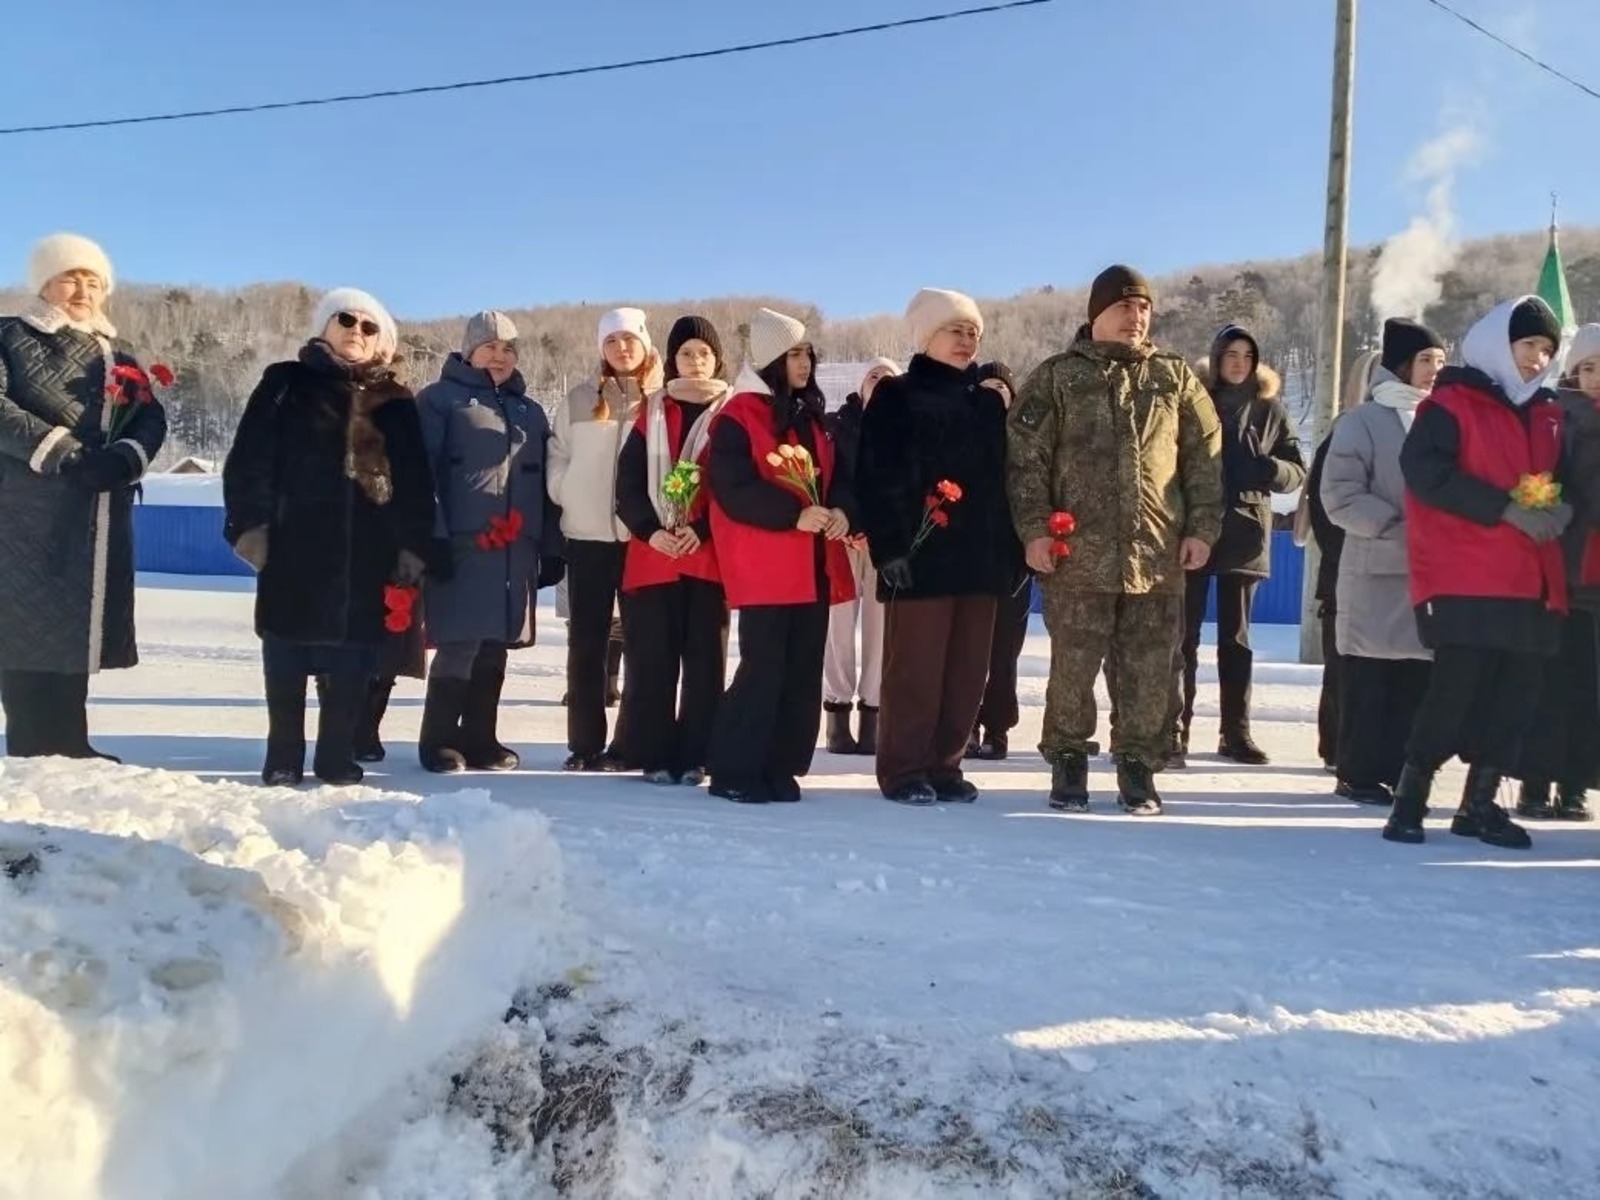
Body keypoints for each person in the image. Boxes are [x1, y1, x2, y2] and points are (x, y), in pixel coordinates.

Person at [1008, 265, 1223, 815]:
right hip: (1077, 555)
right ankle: (1069, 759)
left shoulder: (1174, 378)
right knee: (1073, 666)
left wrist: (1201, 528)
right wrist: (1034, 530)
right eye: (1125, 307)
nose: (1137, 317)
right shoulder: (1057, 377)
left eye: (1144, 308)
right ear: (1095, 315)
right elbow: (1025, 461)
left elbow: (1205, 457)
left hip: (1156, 555)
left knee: (1152, 668)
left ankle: (1137, 765)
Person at [223, 288, 436, 786]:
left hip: (368, 550)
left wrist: (412, 544)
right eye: (345, 319)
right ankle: (282, 756)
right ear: (324, 327)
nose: (355, 331)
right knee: (286, 653)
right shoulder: (286, 381)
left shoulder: (397, 401)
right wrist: (251, 527)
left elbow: (415, 481)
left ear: (382, 343)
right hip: (293, 542)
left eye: (368, 326)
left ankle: (337, 755)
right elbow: (248, 457)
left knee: (352, 659)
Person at [1384, 296, 1570, 849]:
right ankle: (1411, 797)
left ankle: (1480, 804)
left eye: (1545, 349)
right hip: (1466, 576)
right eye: (1527, 345)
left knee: (1515, 696)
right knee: (1455, 691)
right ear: (1498, 344)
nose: (1537, 359)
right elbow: (1424, 473)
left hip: (1532, 578)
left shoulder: (1548, 411)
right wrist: (1504, 507)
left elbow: (1565, 479)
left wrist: (1567, 507)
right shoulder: (1451, 402)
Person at [0, 233, 167, 760]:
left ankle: (70, 741)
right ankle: (29, 742)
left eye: (94, 281)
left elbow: (150, 417)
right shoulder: (10, 335)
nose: (83, 289)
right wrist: (63, 452)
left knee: (79, 622)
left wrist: (123, 458)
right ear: (44, 283)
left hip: (94, 510)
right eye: (71, 276)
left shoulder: (119, 354)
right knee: (23, 622)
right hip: (22, 508)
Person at [858, 290, 1019, 805]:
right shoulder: (897, 395)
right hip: (920, 555)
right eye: (956, 330)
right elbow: (875, 474)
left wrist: (1010, 553)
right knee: (916, 672)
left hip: (978, 560)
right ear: (928, 336)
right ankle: (904, 769)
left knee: (967, 672)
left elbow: (1004, 481)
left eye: (974, 332)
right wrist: (889, 549)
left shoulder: (986, 402)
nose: (967, 340)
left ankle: (945, 765)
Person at [705, 307, 855, 803]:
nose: (805, 361)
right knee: (763, 666)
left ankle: (779, 764)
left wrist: (841, 512)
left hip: (812, 565)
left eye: (807, 352)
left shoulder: (812, 417)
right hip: (769, 566)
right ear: (771, 359)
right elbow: (731, 487)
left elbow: (838, 479)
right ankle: (734, 768)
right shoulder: (738, 414)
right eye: (793, 353)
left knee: (801, 666)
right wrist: (793, 515)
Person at [415, 311, 564, 773]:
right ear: (467, 350)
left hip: (516, 548)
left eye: (508, 348)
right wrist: (432, 538)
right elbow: (420, 475)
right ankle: (437, 740)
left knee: (496, 643)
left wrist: (553, 546)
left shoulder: (530, 411)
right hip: (462, 544)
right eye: (489, 346)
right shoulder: (440, 401)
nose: (498, 356)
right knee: (460, 641)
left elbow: (548, 484)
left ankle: (481, 739)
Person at [1321, 319, 1446, 805]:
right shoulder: (1361, 421)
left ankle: (1401, 770)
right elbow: (1340, 494)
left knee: (1416, 676)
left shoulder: (1441, 419)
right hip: (1376, 568)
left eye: (1440, 361)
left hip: (1428, 574)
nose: (1435, 370)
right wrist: (1402, 527)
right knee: (1371, 677)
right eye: (1425, 361)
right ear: (1400, 366)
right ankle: (1358, 772)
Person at [1172, 325, 1305, 766]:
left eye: (1247, 355)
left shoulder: (1270, 409)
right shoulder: (1194, 401)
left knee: (1237, 639)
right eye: (1231, 353)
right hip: (1195, 527)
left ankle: (1236, 734)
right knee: (1182, 636)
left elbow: (1296, 469)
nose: (1238, 362)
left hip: (1247, 529)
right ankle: (1174, 731)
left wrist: (1270, 470)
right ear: (1216, 357)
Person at [615, 315, 733, 786]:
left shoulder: (730, 413)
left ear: (717, 359)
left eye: (704, 353)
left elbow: (730, 485)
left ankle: (698, 754)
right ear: (672, 360)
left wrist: (700, 530)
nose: (696, 361)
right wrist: (650, 530)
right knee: (652, 660)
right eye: (686, 353)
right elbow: (626, 484)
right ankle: (656, 753)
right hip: (653, 555)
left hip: (706, 556)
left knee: (705, 661)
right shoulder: (651, 412)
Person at [547, 308, 660, 771]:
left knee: (643, 642)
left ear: (645, 344)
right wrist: (567, 490)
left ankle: (630, 744)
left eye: (629, 339)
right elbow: (557, 455)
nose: (621, 348)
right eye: (611, 342)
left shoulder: (662, 401)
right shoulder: (578, 399)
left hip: (643, 539)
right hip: (587, 534)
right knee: (587, 642)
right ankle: (585, 745)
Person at [1514, 322, 1600, 822]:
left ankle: (1576, 786)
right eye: (1587, 368)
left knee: (1589, 697)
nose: (1595, 379)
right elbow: (1536, 486)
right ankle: (1533, 782)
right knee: (1547, 689)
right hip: (1559, 577)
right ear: (1572, 372)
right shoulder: (1551, 420)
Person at [1301, 349, 1380, 777]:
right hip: (1345, 571)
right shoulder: (1344, 432)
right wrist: (1347, 554)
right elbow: (1326, 508)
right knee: (1341, 665)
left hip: (1388, 574)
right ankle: (1336, 745)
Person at [822, 357, 898, 755]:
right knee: (838, 627)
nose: (880, 382)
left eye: (889, 377)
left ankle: (874, 712)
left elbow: (908, 488)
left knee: (880, 628)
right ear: (861, 385)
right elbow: (832, 478)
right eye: (874, 376)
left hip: (886, 546)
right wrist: (851, 525)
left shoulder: (910, 428)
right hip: (841, 537)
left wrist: (879, 532)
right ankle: (836, 714)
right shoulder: (839, 424)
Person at [968, 361, 1032, 761]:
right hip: (970, 560)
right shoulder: (962, 436)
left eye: (1002, 387)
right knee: (969, 649)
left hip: (1014, 560)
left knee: (1005, 650)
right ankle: (966, 723)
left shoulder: (1026, 439)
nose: (995, 393)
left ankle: (998, 726)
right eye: (987, 386)